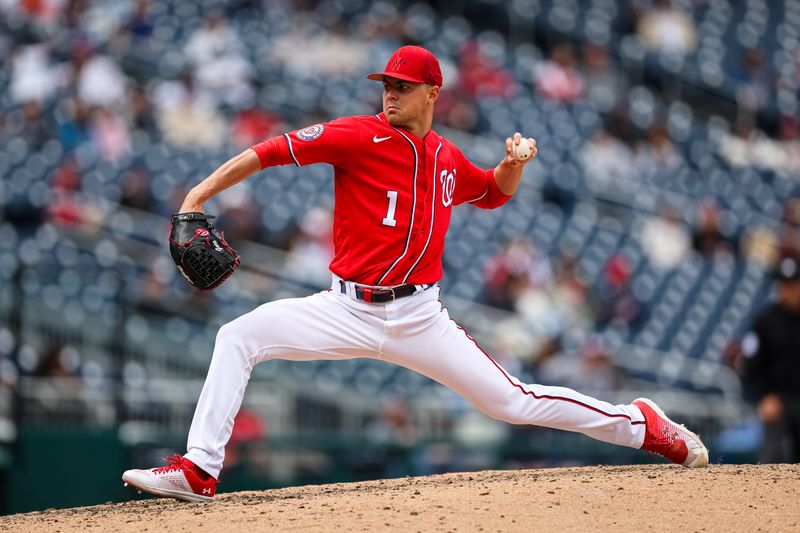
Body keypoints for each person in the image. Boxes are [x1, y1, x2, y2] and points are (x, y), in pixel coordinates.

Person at [121, 46, 708, 502]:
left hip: (420, 316)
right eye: (386, 85)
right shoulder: (357, 134)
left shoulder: (447, 156)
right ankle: (200, 469)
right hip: (344, 308)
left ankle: (642, 424)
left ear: (433, 92)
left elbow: (492, 195)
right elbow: (270, 151)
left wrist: (511, 166)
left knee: (513, 403)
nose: (391, 94)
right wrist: (196, 194)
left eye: (403, 87)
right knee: (237, 336)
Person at [741, 255, 800, 462]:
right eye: (784, 285)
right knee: (771, 458)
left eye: (793, 285)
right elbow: (750, 363)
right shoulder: (765, 321)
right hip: (778, 400)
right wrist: (763, 396)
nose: (789, 290)